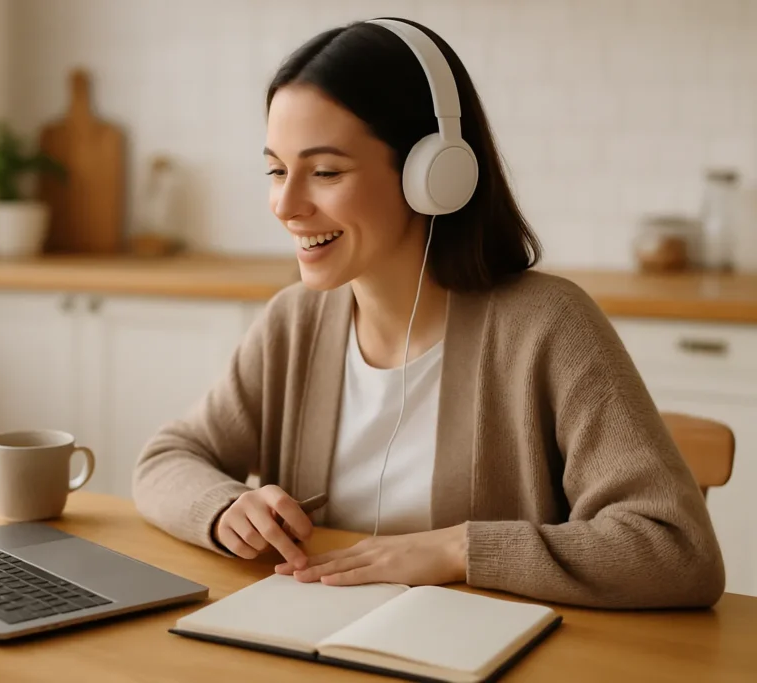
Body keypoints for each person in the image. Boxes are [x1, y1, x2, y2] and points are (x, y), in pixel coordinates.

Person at [131, 17, 725, 609]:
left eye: (326, 172)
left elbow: (677, 551)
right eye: (277, 170)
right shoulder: (296, 322)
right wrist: (225, 508)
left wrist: (458, 550)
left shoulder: (548, 327)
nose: (286, 206)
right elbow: (165, 460)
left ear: (433, 173)